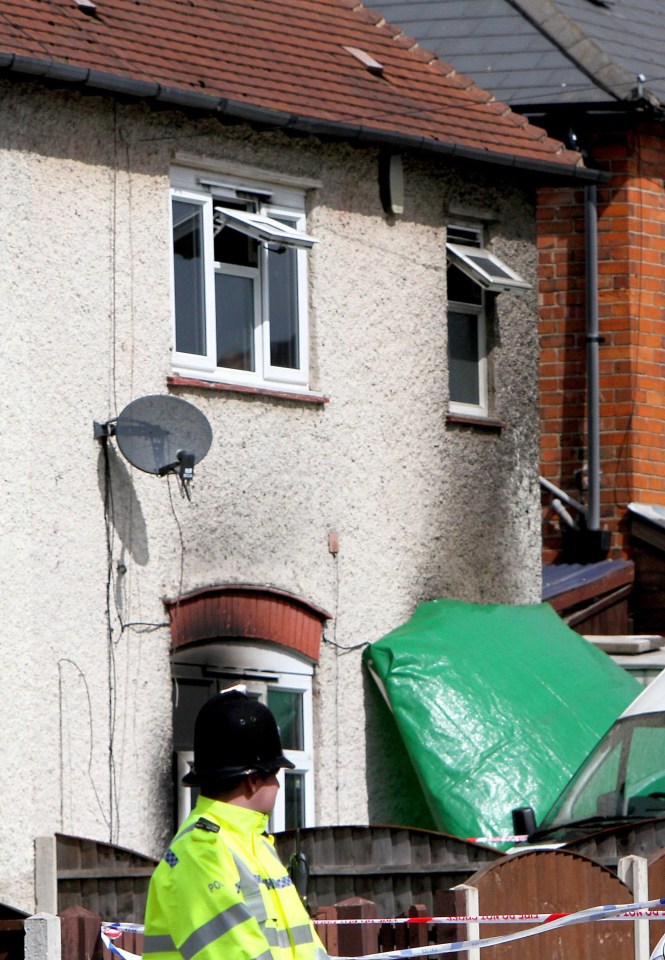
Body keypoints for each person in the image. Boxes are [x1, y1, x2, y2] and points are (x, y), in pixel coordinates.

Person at [144, 688, 329, 960]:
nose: (278, 785)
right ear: (252, 779)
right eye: (274, 774)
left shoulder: (254, 846)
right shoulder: (201, 851)